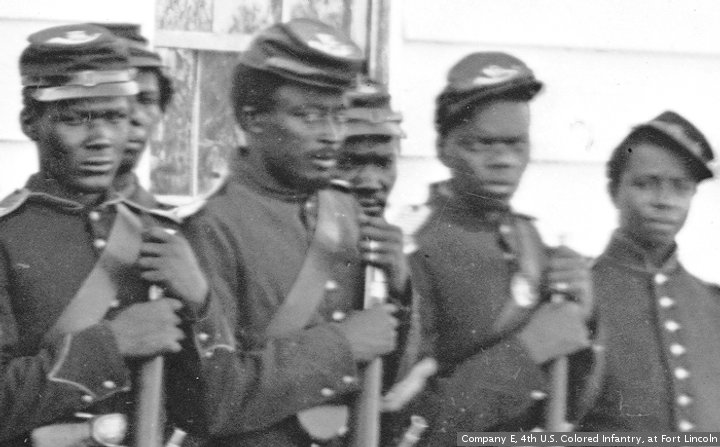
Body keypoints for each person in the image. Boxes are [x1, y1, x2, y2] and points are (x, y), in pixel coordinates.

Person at [0, 24, 231, 446]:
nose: (102, 140)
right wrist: (113, 344)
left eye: (115, 117)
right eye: (75, 119)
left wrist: (200, 302)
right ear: (30, 122)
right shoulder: (7, 237)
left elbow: (215, 410)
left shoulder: (162, 234)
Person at [183, 19, 408, 446]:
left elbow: (389, 377)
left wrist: (399, 287)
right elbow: (211, 398)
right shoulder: (212, 226)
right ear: (252, 118)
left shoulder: (345, 211)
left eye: (338, 115)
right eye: (308, 116)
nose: (332, 135)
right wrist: (341, 346)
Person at [409, 52, 602, 445]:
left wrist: (584, 315)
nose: (503, 160)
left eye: (516, 144)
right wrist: (530, 349)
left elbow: (572, 405)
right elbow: (414, 421)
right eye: (483, 144)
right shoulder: (417, 247)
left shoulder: (532, 240)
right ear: (444, 148)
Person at [579, 111, 720, 432]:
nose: (664, 201)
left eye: (681, 188)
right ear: (614, 191)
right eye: (645, 184)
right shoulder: (580, 293)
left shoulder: (713, 304)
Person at [95, 23, 175, 208]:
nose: (134, 115)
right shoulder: (30, 220)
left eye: (146, 100)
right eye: (116, 98)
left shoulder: (165, 222)